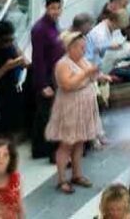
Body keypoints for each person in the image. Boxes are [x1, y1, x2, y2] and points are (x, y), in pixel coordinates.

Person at [47, 32, 105, 194]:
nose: (83, 51)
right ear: (70, 48)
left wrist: (100, 75)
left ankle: (77, 174)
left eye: (84, 48)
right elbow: (67, 84)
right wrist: (86, 74)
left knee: (80, 141)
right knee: (66, 143)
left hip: (85, 105)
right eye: (81, 48)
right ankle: (61, 179)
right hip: (70, 106)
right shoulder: (63, 64)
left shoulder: (82, 60)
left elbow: (91, 75)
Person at [28, 0, 64, 161]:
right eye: (52, 8)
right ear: (46, 8)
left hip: (54, 76)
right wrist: (43, 84)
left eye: (58, 8)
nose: (55, 11)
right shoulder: (40, 29)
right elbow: (38, 59)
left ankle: (41, 149)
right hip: (46, 77)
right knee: (47, 116)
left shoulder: (53, 26)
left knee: (44, 116)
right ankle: (49, 151)